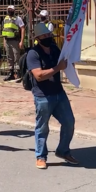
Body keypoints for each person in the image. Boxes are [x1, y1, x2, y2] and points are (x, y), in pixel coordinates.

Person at [27, 23, 78, 169]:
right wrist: (58, 68)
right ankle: (41, 156)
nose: (48, 37)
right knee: (42, 127)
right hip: (43, 96)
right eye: (44, 36)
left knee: (69, 122)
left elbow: (64, 62)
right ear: (38, 38)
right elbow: (39, 75)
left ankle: (63, 151)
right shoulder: (33, 53)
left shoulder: (55, 49)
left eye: (49, 35)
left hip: (59, 93)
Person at [2, 5, 25, 82]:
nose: (10, 11)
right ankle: (11, 73)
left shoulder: (17, 19)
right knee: (9, 57)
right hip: (7, 40)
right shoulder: (5, 19)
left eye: (11, 10)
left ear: (14, 11)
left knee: (17, 57)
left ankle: (19, 73)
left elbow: (22, 28)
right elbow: (5, 31)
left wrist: (21, 41)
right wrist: (4, 42)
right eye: (9, 9)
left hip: (15, 40)